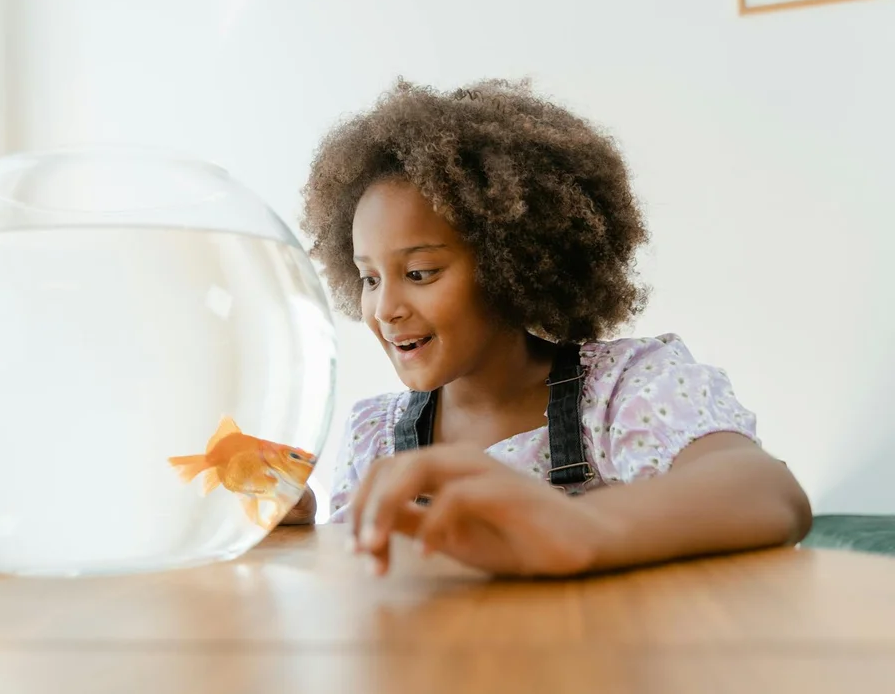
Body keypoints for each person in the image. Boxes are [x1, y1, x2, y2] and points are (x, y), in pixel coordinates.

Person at [279, 78, 812, 578]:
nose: (386, 308)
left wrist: (584, 524)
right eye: (370, 278)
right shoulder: (374, 433)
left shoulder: (622, 391)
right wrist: (303, 528)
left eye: (419, 273)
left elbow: (770, 494)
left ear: (512, 262)